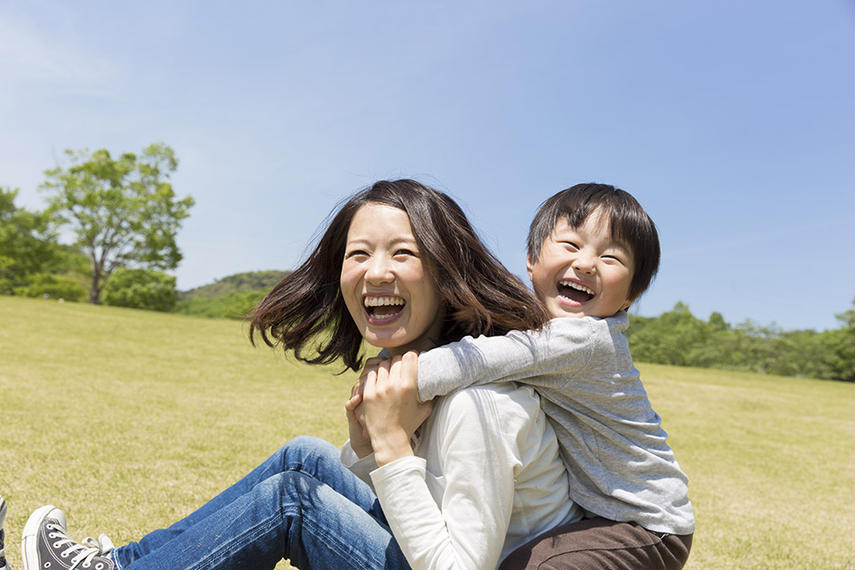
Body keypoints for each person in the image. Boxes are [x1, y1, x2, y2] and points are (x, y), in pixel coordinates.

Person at [20, 179, 582, 570]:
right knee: (306, 455)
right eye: (358, 254)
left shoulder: (477, 404)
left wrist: (390, 445)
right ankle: (122, 563)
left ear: (447, 274)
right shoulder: (422, 376)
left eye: (403, 254)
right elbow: (414, 515)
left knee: (294, 500)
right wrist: (368, 451)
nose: (375, 271)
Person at [394, 183, 695, 569]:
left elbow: (478, 360)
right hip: (597, 516)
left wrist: (400, 376)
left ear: (629, 298)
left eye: (611, 257)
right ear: (532, 260)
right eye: (571, 245)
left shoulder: (587, 339)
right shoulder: (547, 332)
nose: (586, 263)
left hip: (647, 525)